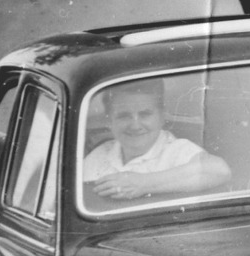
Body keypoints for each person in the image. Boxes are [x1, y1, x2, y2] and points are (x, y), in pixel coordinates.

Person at [83, 82, 231, 202]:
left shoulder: (177, 150)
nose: (135, 125)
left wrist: (142, 183)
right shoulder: (100, 154)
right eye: (124, 116)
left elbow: (219, 171)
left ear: (161, 116)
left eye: (145, 114)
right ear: (109, 121)